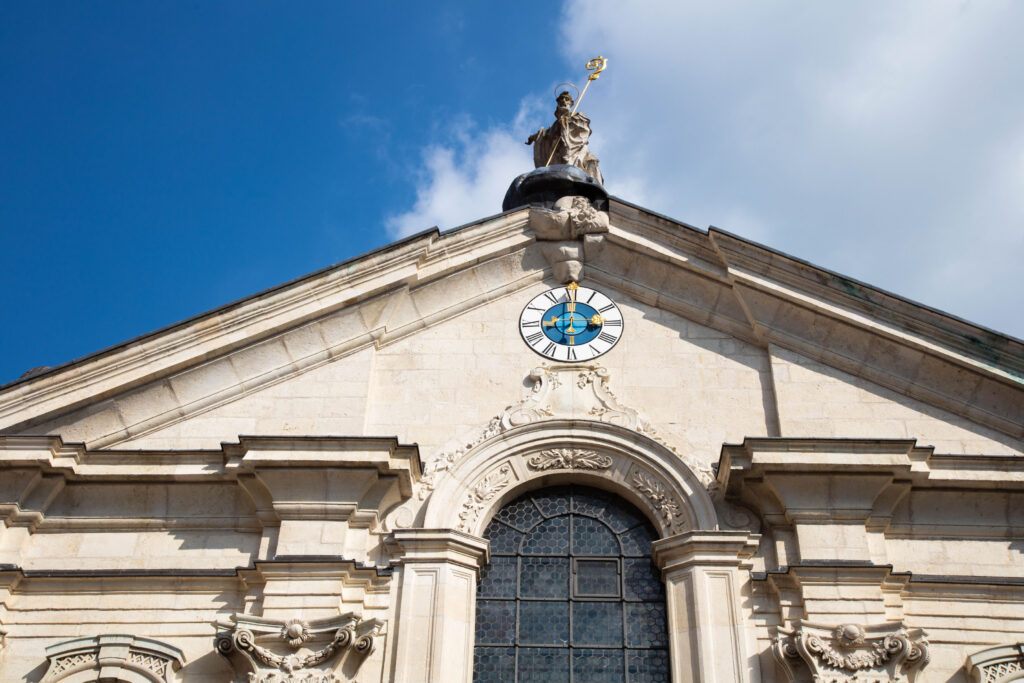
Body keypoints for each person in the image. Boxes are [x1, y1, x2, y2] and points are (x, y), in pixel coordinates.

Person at [526, 91, 604, 185]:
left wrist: (565, 122)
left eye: (567, 99)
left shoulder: (578, 116)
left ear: (571, 103)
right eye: (561, 99)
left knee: (589, 163)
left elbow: (582, 131)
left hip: (575, 153)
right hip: (558, 156)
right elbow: (546, 135)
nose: (563, 101)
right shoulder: (554, 125)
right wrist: (536, 137)